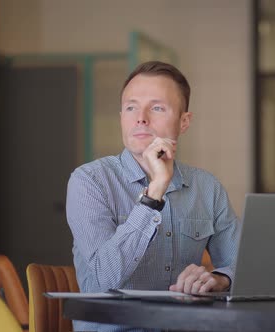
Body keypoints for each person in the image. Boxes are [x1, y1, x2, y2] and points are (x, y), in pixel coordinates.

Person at [66, 61, 240, 331]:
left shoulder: (207, 187)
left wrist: (219, 279)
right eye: (131, 107)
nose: (141, 118)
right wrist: (154, 192)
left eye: (157, 107)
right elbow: (104, 277)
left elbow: (243, 266)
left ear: (184, 122)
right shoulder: (89, 181)